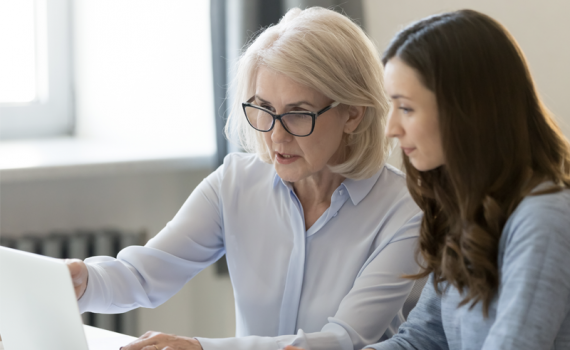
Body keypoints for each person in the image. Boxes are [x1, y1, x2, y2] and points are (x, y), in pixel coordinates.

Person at [66, 7, 423, 350]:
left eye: (298, 114)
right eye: (264, 109)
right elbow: (143, 275)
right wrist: (85, 280)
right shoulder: (235, 183)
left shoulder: (405, 211)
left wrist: (200, 347)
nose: (276, 137)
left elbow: (344, 340)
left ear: (353, 115)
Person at [362, 9, 570, 350]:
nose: (390, 128)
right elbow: (423, 339)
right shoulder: (470, 210)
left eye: (407, 108)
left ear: (465, 111)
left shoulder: (545, 218)